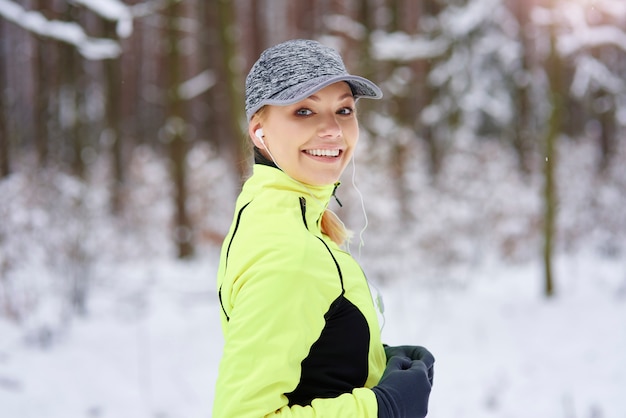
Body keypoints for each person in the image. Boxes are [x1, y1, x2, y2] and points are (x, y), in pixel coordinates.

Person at [213, 39, 434, 418]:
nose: (332, 130)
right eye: (304, 111)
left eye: (344, 109)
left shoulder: (273, 213)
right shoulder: (289, 250)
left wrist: (374, 363)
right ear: (259, 130)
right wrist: (383, 407)